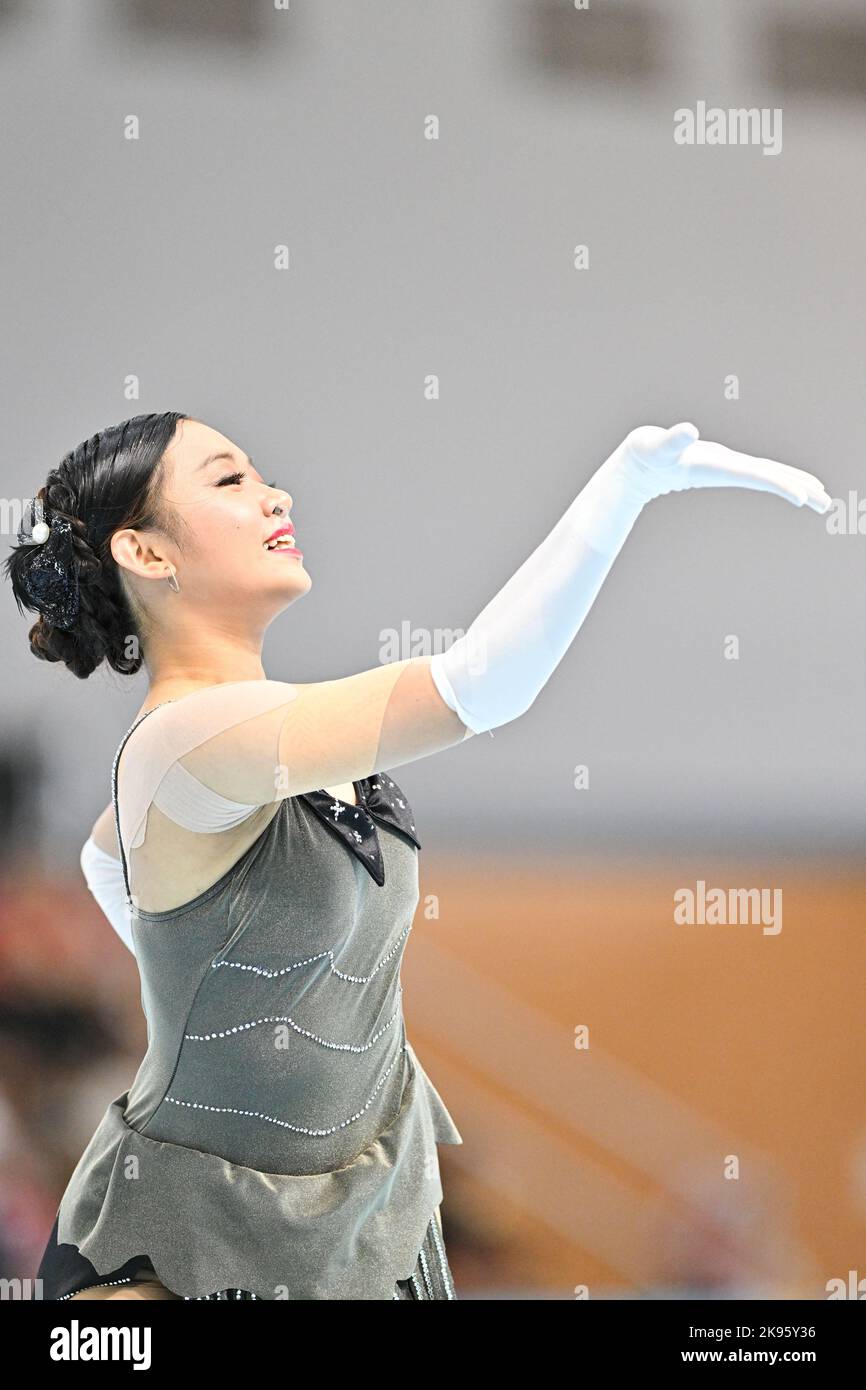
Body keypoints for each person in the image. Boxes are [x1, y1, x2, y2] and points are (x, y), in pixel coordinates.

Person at [5, 412, 830, 1300]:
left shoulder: (247, 739)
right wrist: (625, 487)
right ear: (145, 552)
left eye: (260, 473)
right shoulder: (184, 741)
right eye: (229, 480)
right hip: (178, 1242)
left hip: (352, 1223)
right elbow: (479, 682)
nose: (275, 493)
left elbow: (103, 861)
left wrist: (213, 988)